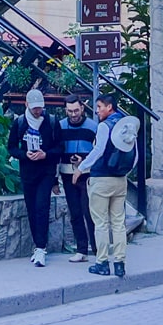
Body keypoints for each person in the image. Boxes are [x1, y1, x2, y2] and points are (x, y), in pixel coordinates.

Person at [73, 94, 139, 278]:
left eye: (100, 106)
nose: (97, 110)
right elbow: (135, 156)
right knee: (118, 224)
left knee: (101, 223)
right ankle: (120, 263)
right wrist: (124, 172)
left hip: (101, 179)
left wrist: (82, 168)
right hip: (120, 180)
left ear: (109, 107)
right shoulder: (128, 126)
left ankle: (102, 262)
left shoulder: (104, 126)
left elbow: (98, 150)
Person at [7, 87, 59, 267]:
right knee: (31, 208)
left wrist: (45, 154)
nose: (38, 111)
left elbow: (59, 148)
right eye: (35, 108)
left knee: (42, 206)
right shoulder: (19, 123)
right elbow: (11, 147)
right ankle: (37, 244)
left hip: (46, 171)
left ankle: (41, 247)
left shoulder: (51, 122)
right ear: (27, 105)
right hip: (28, 172)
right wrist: (24, 154)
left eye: (40, 108)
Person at [56, 95, 98, 262]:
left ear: (82, 108)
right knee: (75, 213)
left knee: (90, 213)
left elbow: (98, 152)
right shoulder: (59, 126)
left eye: (76, 110)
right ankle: (81, 250)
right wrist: (54, 179)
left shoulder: (93, 127)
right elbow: (56, 152)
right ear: (65, 110)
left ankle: (97, 249)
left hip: (87, 174)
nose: (73, 114)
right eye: (70, 111)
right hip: (67, 174)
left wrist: (83, 161)